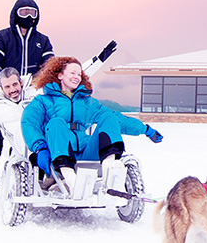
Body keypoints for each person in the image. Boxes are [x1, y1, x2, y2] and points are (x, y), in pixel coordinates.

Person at [21, 56, 162, 189]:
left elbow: (117, 118)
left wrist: (145, 129)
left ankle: (109, 170)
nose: (77, 77)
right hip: (57, 150)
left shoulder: (88, 103)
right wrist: (40, 147)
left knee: (109, 118)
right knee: (56, 122)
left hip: (86, 153)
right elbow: (29, 123)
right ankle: (70, 179)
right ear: (59, 75)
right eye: (73, 73)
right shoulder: (42, 101)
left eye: (79, 75)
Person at [0, 0, 55, 177]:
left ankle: (24, 173)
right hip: (4, 92)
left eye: (32, 12)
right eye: (24, 12)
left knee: (28, 132)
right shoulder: (1, 37)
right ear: (15, 14)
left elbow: (49, 66)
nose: (28, 16)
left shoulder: (42, 40)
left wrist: (38, 85)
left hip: (29, 95)